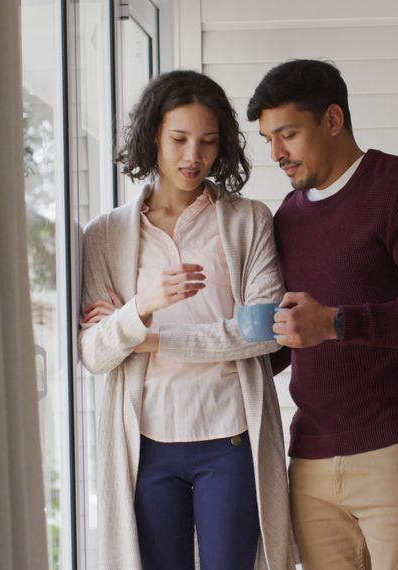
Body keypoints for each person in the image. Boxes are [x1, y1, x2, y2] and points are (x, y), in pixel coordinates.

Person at [246, 59, 398, 569]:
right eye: (268, 139)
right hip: (310, 458)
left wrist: (335, 323)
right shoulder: (287, 215)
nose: (277, 153)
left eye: (287, 134)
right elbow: (292, 332)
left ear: (332, 119)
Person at [78, 70, 296, 570]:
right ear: (153, 134)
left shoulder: (248, 220)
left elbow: (261, 334)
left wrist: (149, 339)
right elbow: (94, 352)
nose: (192, 157)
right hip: (147, 445)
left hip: (230, 437)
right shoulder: (106, 235)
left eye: (207, 142)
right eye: (178, 139)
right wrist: (143, 304)